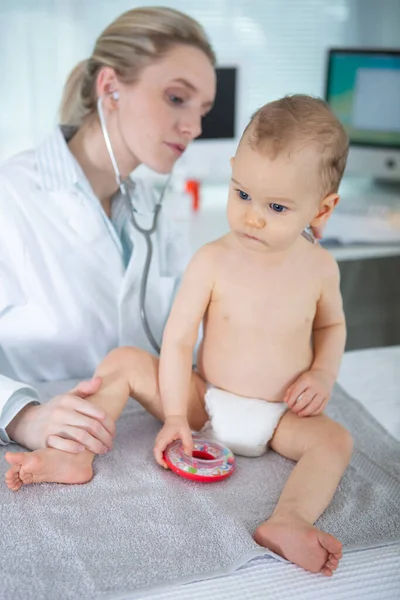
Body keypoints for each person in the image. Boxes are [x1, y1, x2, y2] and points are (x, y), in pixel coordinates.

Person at [5, 95, 353, 578]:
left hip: (280, 415)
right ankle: (74, 456)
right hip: (204, 400)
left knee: (335, 442)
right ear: (232, 174)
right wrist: (173, 414)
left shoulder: (320, 267)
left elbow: (331, 326)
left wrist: (322, 371)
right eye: (242, 193)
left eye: (276, 206)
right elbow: (176, 338)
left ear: (323, 207)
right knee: (125, 360)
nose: (252, 216)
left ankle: (287, 520)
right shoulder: (213, 258)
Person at [0, 7, 217, 455]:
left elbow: (186, 341)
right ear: (111, 87)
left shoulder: (155, 208)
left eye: (203, 110)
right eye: (177, 98)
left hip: (140, 445)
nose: (194, 127)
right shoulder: (11, 196)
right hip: (45, 456)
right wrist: (21, 416)